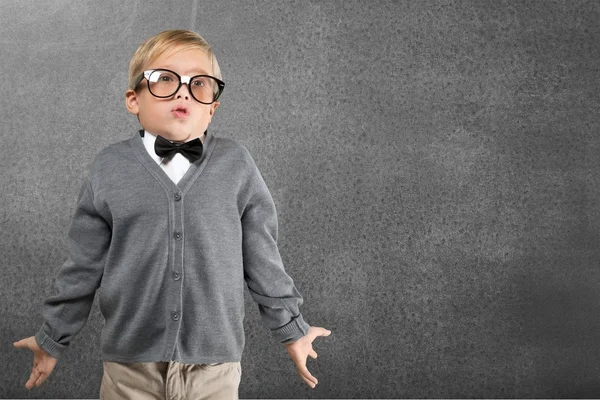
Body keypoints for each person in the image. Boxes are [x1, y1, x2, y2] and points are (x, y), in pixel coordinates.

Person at [13, 29, 331, 399]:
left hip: (215, 366)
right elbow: (83, 266)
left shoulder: (237, 165)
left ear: (212, 106)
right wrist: (53, 338)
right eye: (165, 79)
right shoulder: (108, 167)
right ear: (134, 99)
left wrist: (292, 329)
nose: (183, 91)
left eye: (199, 83)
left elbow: (262, 257)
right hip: (128, 366)